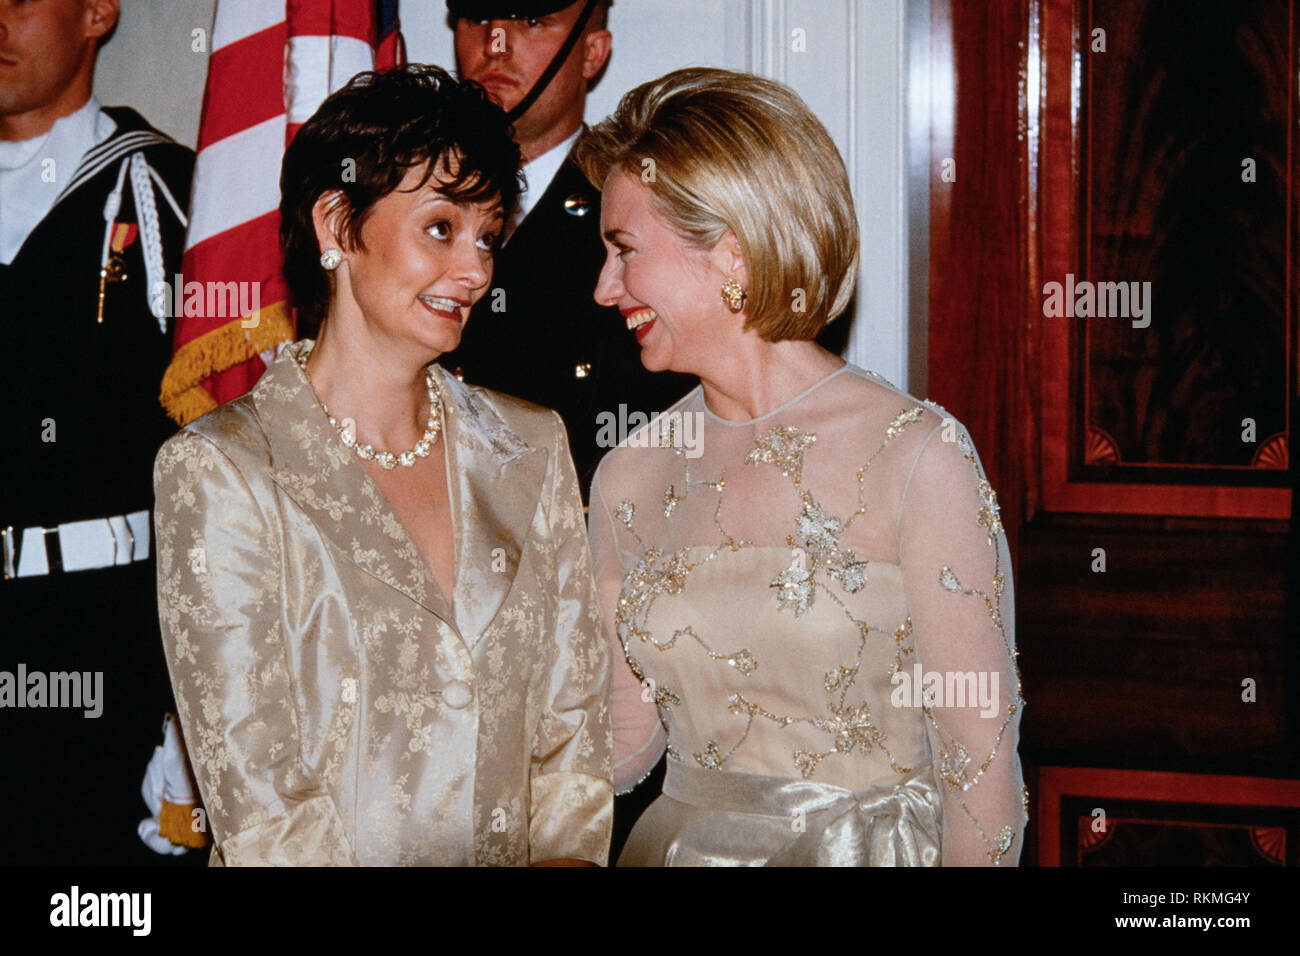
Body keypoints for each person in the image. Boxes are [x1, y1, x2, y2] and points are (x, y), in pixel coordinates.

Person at [152, 64, 612, 866]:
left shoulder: (532, 445)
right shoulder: (222, 471)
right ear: (336, 224)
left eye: (488, 238)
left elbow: (571, 746)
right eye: (441, 227)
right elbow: (264, 811)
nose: (475, 271)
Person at [581, 67, 1029, 866]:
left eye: (624, 251)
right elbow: (618, 747)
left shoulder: (916, 454)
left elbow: (981, 773)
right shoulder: (630, 474)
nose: (604, 288)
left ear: (730, 250)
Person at [0, 0, 195, 864]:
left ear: (97, 12)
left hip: (100, 644)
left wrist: (190, 713)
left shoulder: (173, 201)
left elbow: (231, 471)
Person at [441, 0, 692, 500]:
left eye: (531, 21)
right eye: (477, 18)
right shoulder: (400, 204)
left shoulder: (646, 216)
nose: (497, 43)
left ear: (592, 54)